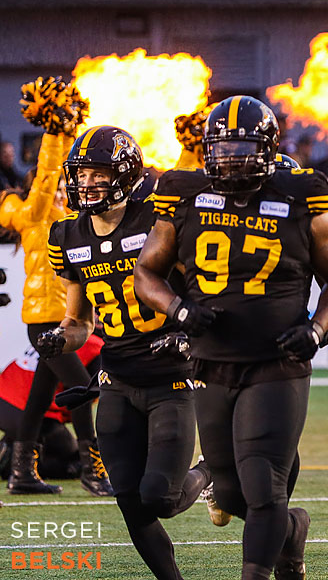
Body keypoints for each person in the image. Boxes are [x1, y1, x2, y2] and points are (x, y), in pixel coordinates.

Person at [135, 96, 328, 580]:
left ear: (269, 148)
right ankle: (292, 530)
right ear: (207, 149)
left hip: (277, 362)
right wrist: (177, 308)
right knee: (231, 493)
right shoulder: (182, 192)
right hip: (210, 363)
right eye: (223, 147)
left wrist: (318, 328)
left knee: (262, 486)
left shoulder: (301, 193)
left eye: (243, 146)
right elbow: (146, 273)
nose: (232, 157)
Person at [41, 124, 211, 580]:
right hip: (116, 380)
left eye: (97, 174)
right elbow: (80, 323)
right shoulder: (67, 237)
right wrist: (60, 338)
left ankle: (211, 468)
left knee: (161, 497)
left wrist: (189, 334)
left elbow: (200, 290)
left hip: (170, 376)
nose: (86, 183)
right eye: (81, 175)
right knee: (130, 501)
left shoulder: (155, 219)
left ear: (125, 173)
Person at [0, 76, 109, 496]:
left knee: (38, 399)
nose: (62, 191)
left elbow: (58, 178)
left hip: (67, 319)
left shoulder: (64, 218)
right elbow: (46, 182)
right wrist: (54, 130)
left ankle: (22, 474)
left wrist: (67, 137)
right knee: (80, 390)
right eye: (56, 187)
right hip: (45, 320)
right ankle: (92, 470)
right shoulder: (29, 212)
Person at [0, 337, 102, 481]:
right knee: (72, 463)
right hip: (26, 410)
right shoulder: (95, 346)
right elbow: (84, 395)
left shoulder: (64, 334)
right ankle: (11, 463)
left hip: (6, 396)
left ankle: (10, 444)